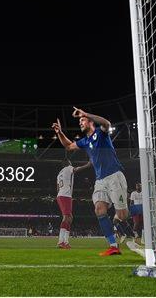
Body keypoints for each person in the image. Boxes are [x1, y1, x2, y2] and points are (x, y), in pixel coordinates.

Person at [52, 107, 128, 256]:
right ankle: (113, 246)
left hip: (114, 175)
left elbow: (106, 123)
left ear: (90, 121)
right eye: (79, 120)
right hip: (100, 180)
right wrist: (59, 132)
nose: (80, 122)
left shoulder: (101, 133)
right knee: (99, 209)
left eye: (83, 120)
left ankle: (124, 217)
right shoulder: (85, 141)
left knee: (123, 215)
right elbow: (68, 146)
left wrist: (86, 113)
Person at [56, 159, 91, 249]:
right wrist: (87, 165)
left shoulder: (59, 173)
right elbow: (76, 169)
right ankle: (61, 242)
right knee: (66, 217)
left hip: (62, 195)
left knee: (70, 217)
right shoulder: (68, 168)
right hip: (65, 195)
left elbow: (57, 188)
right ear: (68, 163)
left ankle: (66, 241)